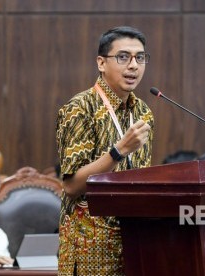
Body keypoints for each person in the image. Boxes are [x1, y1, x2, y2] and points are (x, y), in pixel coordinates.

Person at [56, 26, 153, 275]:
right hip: (91, 249)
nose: (133, 66)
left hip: (135, 242)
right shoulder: (79, 109)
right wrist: (118, 151)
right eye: (123, 57)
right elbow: (72, 186)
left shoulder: (143, 113)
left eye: (140, 57)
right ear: (101, 63)